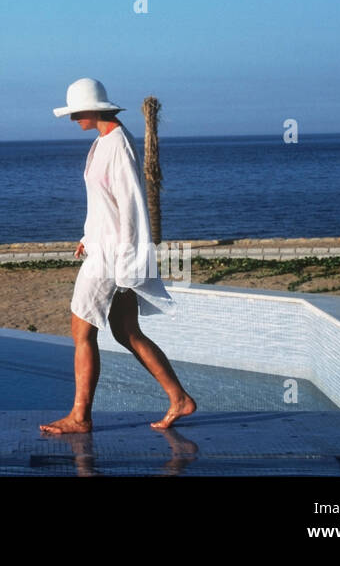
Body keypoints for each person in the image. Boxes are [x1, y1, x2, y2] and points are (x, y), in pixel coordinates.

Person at [40, 78, 195, 433]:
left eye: (75, 111)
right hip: (104, 247)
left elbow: (131, 206)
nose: (71, 118)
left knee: (81, 330)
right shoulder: (103, 142)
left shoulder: (118, 145)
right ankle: (180, 398)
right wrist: (87, 236)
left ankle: (80, 417)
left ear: (94, 108)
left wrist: (127, 262)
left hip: (113, 256)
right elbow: (103, 203)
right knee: (127, 331)